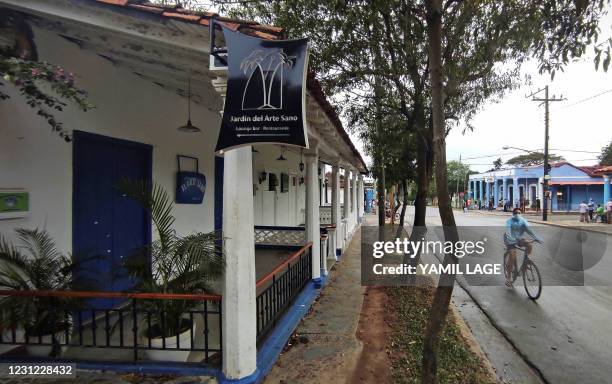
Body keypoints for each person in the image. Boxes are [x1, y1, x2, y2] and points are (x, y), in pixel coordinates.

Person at [504, 208, 542, 287]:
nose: (518, 214)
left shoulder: (523, 221)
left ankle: (527, 260)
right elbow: (508, 232)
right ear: (513, 214)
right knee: (512, 255)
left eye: (519, 213)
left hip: (519, 239)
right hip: (509, 239)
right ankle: (509, 277)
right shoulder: (509, 221)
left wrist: (537, 238)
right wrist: (512, 239)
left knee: (529, 245)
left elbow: (530, 230)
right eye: (516, 213)